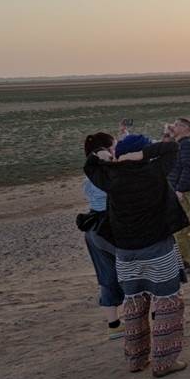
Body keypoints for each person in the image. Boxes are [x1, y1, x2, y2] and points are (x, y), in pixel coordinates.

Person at [84, 133, 189, 378]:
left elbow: (90, 165)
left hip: (125, 251)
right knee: (167, 303)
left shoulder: (111, 176)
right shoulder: (153, 172)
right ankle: (164, 362)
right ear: (141, 152)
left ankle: (136, 358)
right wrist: (144, 154)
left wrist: (102, 155)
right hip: (156, 247)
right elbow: (172, 148)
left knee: (134, 304)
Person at [81, 132, 124, 340]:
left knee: (106, 276)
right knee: (129, 269)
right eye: (113, 147)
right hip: (108, 227)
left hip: (93, 228)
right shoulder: (105, 173)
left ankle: (114, 324)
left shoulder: (89, 174)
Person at [167, 117, 190, 273]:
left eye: (176, 125)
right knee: (180, 228)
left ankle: (188, 262)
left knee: (181, 229)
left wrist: (181, 189)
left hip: (180, 192)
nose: (173, 127)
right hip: (175, 190)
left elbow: (189, 168)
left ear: (185, 128)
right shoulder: (179, 145)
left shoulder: (187, 145)